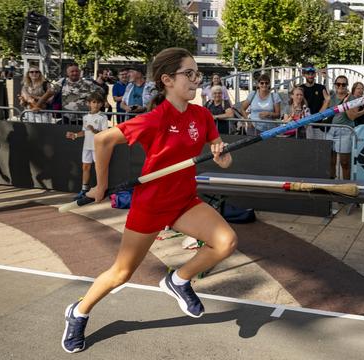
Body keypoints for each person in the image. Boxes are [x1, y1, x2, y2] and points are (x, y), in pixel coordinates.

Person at [61, 47, 236, 353]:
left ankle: (179, 280)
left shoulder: (202, 115)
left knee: (226, 242)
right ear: (168, 79)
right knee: (122, 273)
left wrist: (222, 157)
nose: (197, 80)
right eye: (189, 74)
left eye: (198, 74)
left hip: (184, 201)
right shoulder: (155, 119)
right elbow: (102, 140)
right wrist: (100, 185)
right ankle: (78, 312)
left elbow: (225, 158)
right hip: (151, 204)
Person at [65, 92, 109, 199]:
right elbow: (84, 132)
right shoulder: (85, 117)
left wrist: (94, 130)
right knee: (85, 167)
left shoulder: (103, 117)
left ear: (102, 104)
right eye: (94, 102)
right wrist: (74, 135)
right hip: (87, 146)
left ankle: (100, 190)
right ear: (89, 103)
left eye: (99, 102)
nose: (96, 105)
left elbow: (105, 133)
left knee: (99, 169)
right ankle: (84, 190)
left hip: (97, 148)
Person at [327, 75, 361, 180]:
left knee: (344, 162)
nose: (340, 86)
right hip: (330, 130)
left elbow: (352, 117)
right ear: (335, 85)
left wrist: (345, 104)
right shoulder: (331, 97)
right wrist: (326, 101)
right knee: (330, 161)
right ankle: (330, 183)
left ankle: (346, 185)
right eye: (338, 84)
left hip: (345, 130)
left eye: (343, 84)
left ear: (347, 86)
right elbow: (321, 113)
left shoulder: (352, 98)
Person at [300, 64, 331, 139]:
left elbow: (327, 102)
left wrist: (317, 117)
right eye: (308, 74)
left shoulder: (321, 88)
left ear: (315, 74)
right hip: (305, 125)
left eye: (312, 73)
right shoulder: (300, 89)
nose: (310, 76)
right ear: (303, 74)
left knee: (319, 148)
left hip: (319, 125)